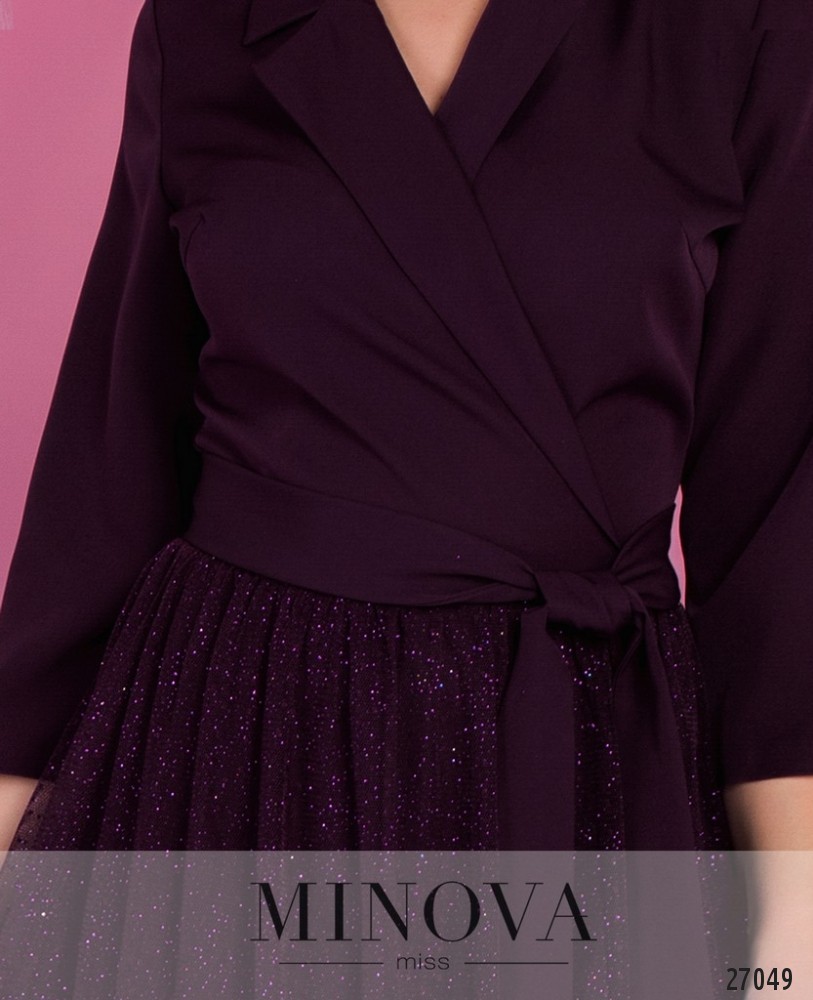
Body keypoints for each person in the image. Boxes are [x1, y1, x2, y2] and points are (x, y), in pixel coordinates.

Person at [1, 0, 812, 859]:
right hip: (247, 725)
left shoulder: (740, 29)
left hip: (587, 729)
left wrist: (793, 892)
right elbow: (109, 450)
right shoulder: (202, 23)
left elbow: (773, 508)